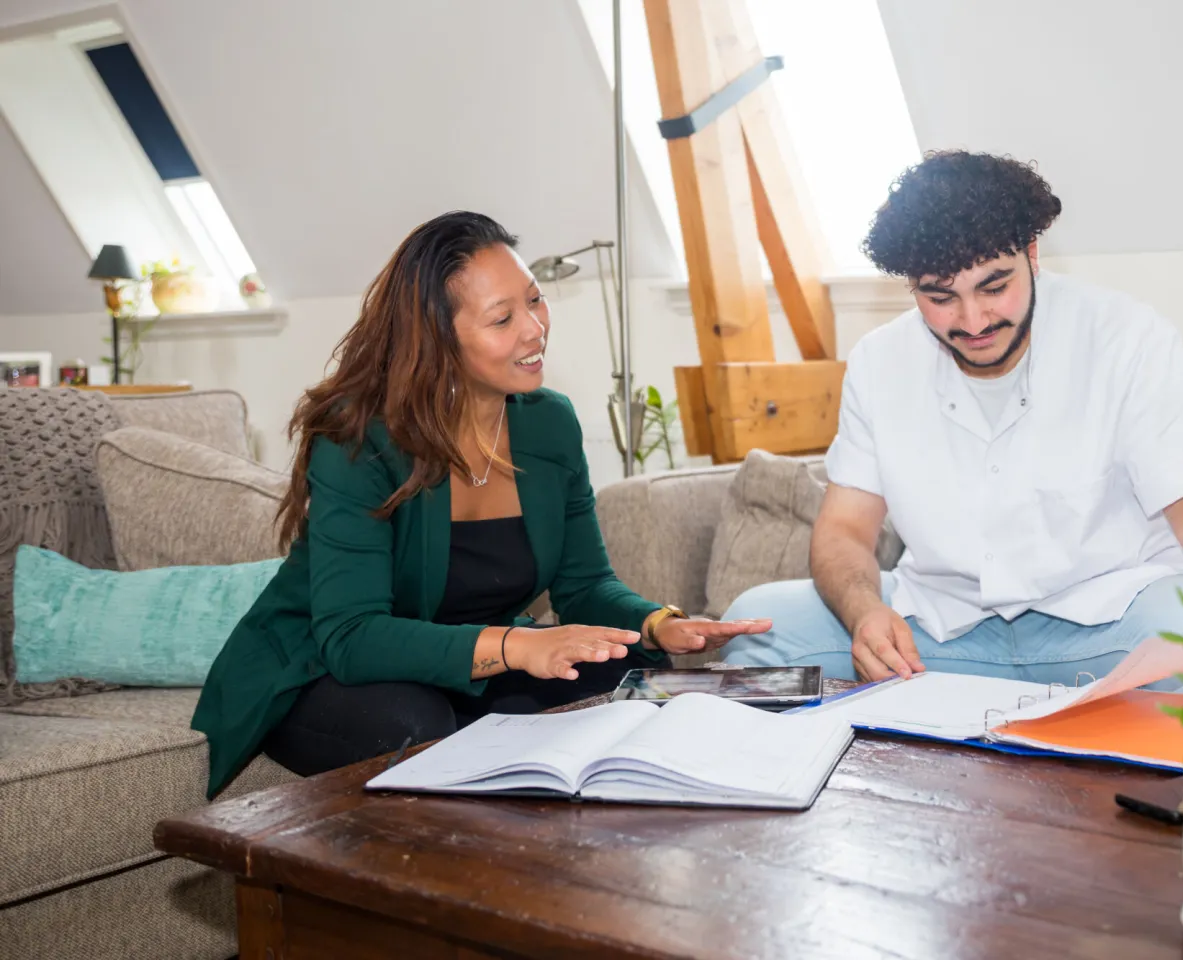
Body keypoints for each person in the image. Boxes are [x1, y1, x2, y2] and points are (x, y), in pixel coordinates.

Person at [193, 211, 769, 798]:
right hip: (323, 668)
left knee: (623, 678)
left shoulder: (549, 422)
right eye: (503, 318)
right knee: (418, 727)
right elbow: (353, 635)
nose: (534, 329)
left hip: (471, 660)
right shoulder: (360, 437)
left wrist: (658, 624)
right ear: (438, 338)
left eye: (536, 301)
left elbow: (586, 585)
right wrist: (520, 645)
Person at [720, 151, 1183, 684]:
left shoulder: (1127, 338)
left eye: (994, 286)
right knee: (754, 629)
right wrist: (865, 612)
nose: (973, 319)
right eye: (940, 297)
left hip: (1110, 619)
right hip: (939, 630)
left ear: (1032, 253)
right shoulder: (878, 362)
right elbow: (843, 529)